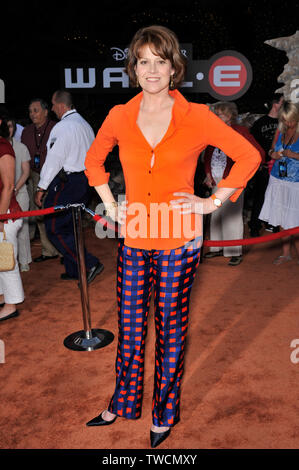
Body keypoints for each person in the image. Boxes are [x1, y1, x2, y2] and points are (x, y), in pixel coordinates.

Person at [84, 25, 261, 448]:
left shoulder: (196, 115)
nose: (151, 69)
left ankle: (165, 411)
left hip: (179, 242)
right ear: (133, 67)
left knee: (170, 330)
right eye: (143, 61)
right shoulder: (120, 115)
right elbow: (94, 162)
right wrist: (111, 205)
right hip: (135, 238)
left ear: (173, 66)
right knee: (128, 331)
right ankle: (124, 403)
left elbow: (249, 156)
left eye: (159, 61)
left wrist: (211, 202)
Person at [35, 90, 104, 283]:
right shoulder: (85, 125)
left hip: (69, 182)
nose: (52, 109)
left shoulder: (63, 127)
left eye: (53, 105)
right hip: (84, 181)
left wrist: (41, 187)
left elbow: (54, 160)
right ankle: (74, 269)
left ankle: (89, 263)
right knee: (71, 226)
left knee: (55, 228)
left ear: (60, 105)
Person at [203, 101, 265, 265]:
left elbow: (258, 153)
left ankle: (234, 251)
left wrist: (243, 175)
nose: (217, 117)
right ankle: (217, 248)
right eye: (216, 114)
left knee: (233, 216)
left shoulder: (240, 131)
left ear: (230, 115)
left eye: (220, 114)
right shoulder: (213, 132)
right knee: (216, 215)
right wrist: (208, 175)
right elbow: (208, 156)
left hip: (233, 182)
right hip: (215, 180)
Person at [259, 101, 299, 264]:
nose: (288, 123)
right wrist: (273, 154)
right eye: (285, 120)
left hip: (295, 182)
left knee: (295, 218)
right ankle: (285, 253)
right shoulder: (280, 131)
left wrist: (295, 155)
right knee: (282, 217)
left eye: (291, 120)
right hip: (277, 178)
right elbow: (270, 150)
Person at [21, 98, 59, 262]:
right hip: (33, 175)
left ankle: (62, 250)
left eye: (35, 110)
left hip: (52, 175)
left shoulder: (55, 128)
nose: (32, 114)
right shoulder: (26, 131)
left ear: (46, 111)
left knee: (55, 212)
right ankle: (48, 250)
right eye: (30, 111)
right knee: (38, 213)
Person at [248, 94, 284, 236]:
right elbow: (252, 145)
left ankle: (273, 223)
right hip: (263, 166)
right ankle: (255, 226)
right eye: (282, 102)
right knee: (260, 196)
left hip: (280, 166)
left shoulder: (284, 122)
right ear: (275, 104)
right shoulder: (260, 123)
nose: (283, 105)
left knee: (278, 196)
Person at [0, 113, 24, 321]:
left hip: (6, 214)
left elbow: (8, 186)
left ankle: (11, 304)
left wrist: (0, 218)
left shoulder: (3, 147)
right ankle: (3, 296)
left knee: (6, 260)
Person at [7, 118, 32, 271]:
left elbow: (26, 172)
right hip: (4, 194)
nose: (7, 129)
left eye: (10, 126)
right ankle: (8, 261)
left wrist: (14, 189)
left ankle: (24, 261)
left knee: (22, 228)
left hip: (20, 192)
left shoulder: (21, 147)